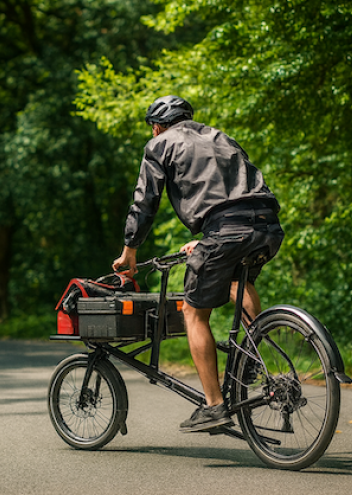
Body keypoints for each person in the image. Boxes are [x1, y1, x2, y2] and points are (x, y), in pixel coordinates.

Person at [112, 95, 284, 432]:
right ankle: (253, 356)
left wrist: (129, 250)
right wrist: (209, 236)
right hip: (266, 224)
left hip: (226, 229)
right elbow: (235, 194)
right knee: (239, 282)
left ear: (157, 125)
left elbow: (145, 200)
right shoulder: (221, 137)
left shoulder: (160, 144)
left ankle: (214, 406)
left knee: (193, 312)